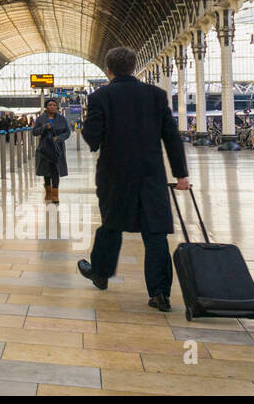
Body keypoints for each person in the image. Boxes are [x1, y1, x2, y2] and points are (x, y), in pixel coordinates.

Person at [78, 46, 190, 313]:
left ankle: (101, 274)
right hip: (151, 174)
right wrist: (181, 174)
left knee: (111, 225)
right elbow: (171, 137)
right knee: (155, 234)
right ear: (133, 66)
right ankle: (160, 294)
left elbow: (92, 138)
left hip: (115, 175)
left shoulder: (100, 97)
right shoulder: (156, 95)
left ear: (109, 70)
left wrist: (94, 125)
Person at [32, 98, 71, 203]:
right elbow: (34, 132)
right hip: (44, 149)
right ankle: (48, 191)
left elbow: (67, 132)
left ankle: (55, 195)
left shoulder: (62, 119)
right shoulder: (40, 119)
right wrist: (44, 127)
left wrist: (58, 138)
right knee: (46, 171)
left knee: (55, 171)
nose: (52, 107)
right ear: (46, 107)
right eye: (50, 105)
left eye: (54, 105)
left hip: (57, 149)